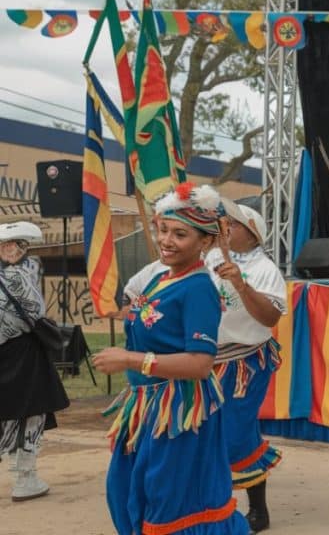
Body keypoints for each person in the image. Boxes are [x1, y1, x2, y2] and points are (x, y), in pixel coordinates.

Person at [93, 183, 249, 535]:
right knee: (125, 489)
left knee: (171, 502)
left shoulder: (198, 289)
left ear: (205, 243)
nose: (166, 240)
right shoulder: (161, 276)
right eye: (163, 229)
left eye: (180, 234)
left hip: (178, 411)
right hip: (147, 407)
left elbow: (200, 364)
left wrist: (131, 359)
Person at [206, 200, 287, 533]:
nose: (226, 228)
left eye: (234, 225)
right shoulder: (208, 257)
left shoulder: (265, 268)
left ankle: (225, 504)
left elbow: (270, 317)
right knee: (215, 430)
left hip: (246, 362)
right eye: (225, 223)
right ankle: (256, 510)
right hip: (209, 359)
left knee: (234, 432)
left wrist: (241, 284)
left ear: (252, 234)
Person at [0, 221, 68, 502]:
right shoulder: (22, 275)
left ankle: (24, 475)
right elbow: (37, 311)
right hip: (22, 354)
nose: (11, 249)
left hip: (14, 354)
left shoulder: (22, 272)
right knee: (31, 413)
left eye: (15, 245)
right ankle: (25, 479)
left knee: (16, 414)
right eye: (6, 245)